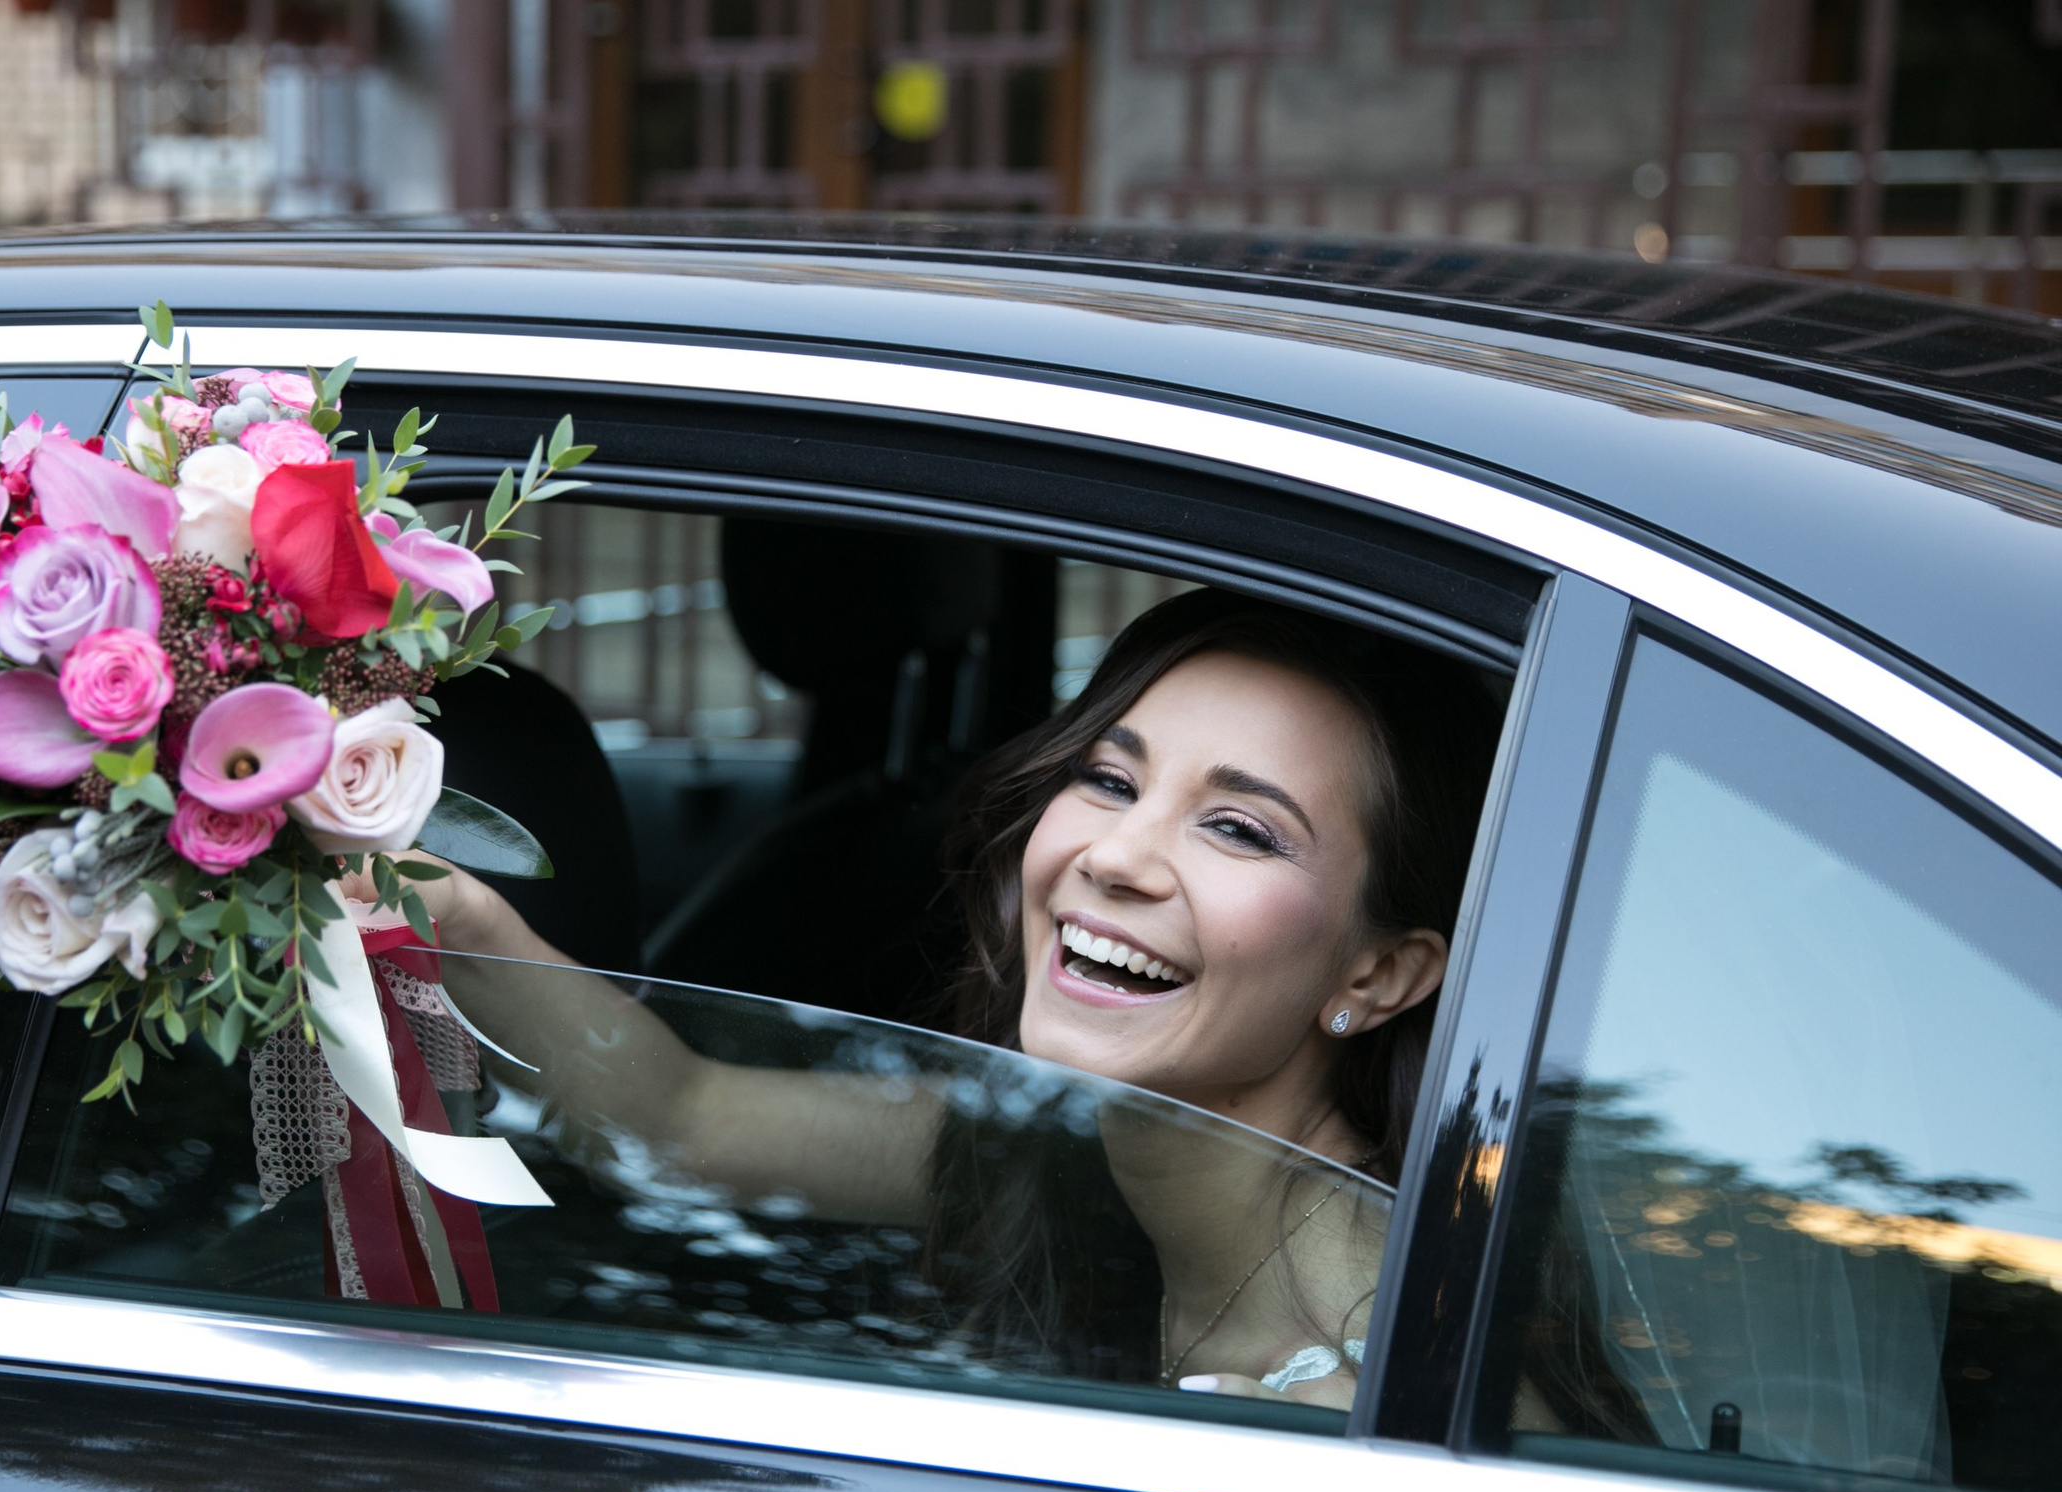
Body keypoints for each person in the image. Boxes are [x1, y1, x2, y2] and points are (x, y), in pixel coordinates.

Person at [362, 591, 1500, 1408]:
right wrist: (455, 915)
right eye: (1108, 780)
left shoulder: (1350, 1390)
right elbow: (682, 1119)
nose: (1116, 857)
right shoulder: (1053, 1140)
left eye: (1237, 829)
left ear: (1378, 975)